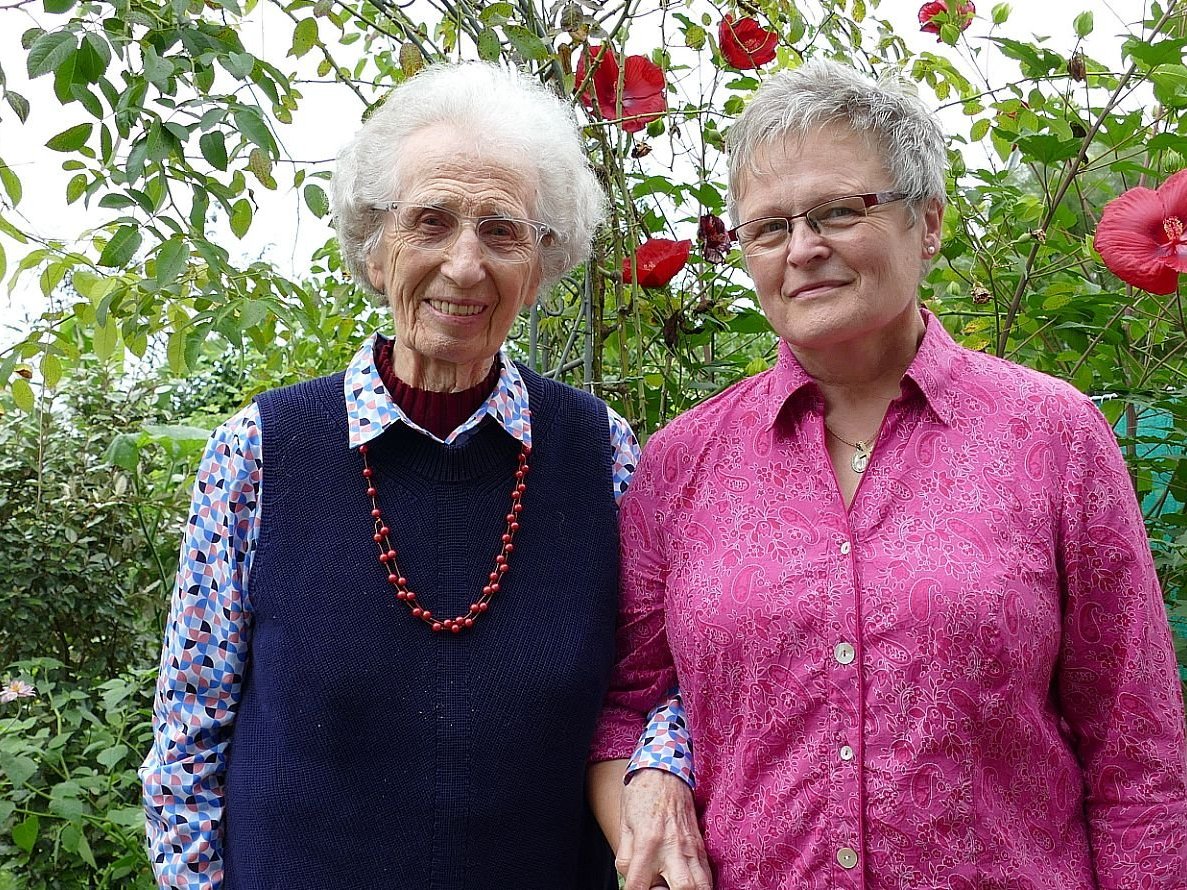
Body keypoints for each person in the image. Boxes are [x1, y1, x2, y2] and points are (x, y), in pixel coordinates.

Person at [590, 59, 1187, 890]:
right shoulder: (682, 464)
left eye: (837, 211)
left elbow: (1137, 755)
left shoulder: (1049, 435)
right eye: (768, 228)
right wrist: (649, 791)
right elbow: (625, 697)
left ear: (929, 223)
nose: (802, 249)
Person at [140, 61, 693, 890]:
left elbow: (655, 682)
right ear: (374, 243)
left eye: (501, 231)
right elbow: (186, 747)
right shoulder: (259, 452)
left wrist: (660, 770)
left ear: (541, 265)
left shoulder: (600, 455)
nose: (464, 266)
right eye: (430, 221)